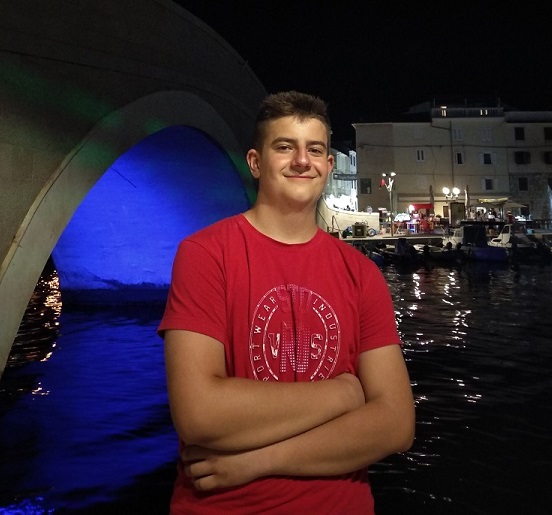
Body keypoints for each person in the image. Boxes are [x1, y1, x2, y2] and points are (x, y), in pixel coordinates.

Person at [158, 90, 415, 514]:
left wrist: (256, 461)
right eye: (284, 147)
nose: (301, 161)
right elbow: (199, 413)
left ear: (328, 166)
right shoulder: (205, 255)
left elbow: (396, 425)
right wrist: (343, 394)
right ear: (255, 162)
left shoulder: (362, 274)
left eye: (314, 150)